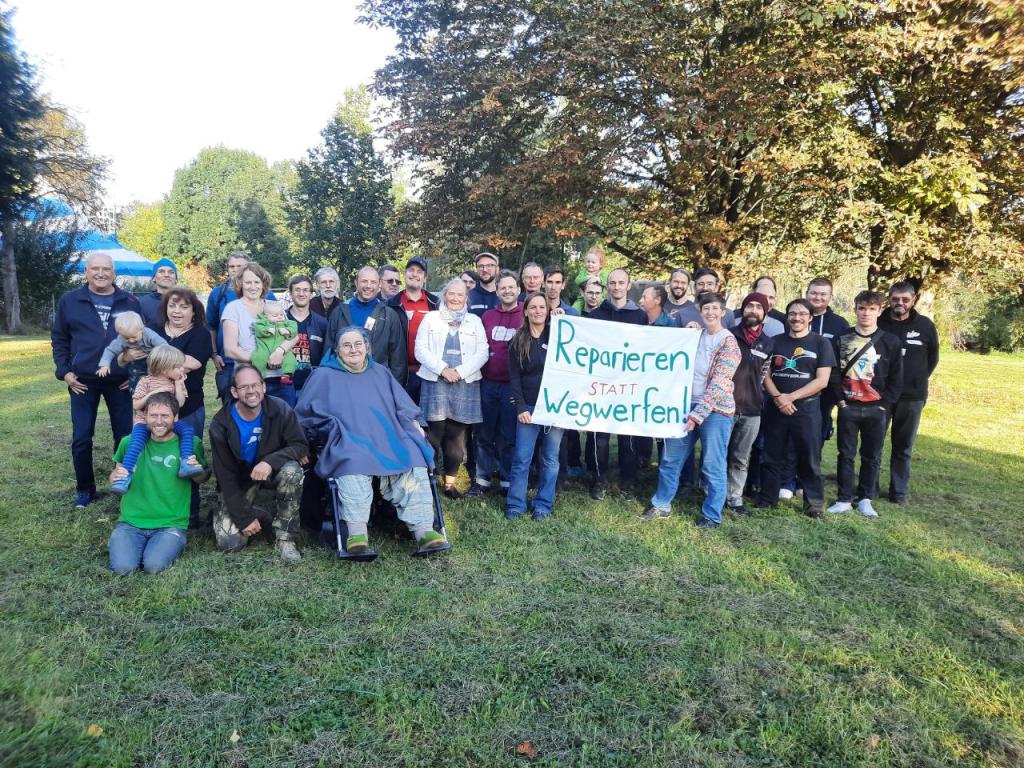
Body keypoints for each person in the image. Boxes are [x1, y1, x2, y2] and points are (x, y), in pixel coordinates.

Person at [295, 327, 448, 553]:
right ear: (337, 350)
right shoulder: (323, 376)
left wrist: (413, 422)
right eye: (346, 345)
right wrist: (329, 429)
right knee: (351, 460)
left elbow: (403, 405)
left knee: (413, 457)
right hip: (348, 437)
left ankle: (424, 530)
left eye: (358, 344)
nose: (353, 349)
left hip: (388, 436)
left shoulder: (380, 372)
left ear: (367, 347)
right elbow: (305, 414)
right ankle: (357, 534)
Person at [642, 292, 740, 528]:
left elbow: (720, 383)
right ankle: (661, 503)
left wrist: (697, 416)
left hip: (716, 411)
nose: (710, 313)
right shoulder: (695, 336)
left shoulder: (729, 343)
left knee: (712, 464)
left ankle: (712, 515)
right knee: (671, 458)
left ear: (723, 312)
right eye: (706, 308)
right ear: (700, 311)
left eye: (715, 309)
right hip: (685, 405)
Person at [51, 252, 140, 508]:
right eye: (95, 269)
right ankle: (85, 489)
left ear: (114, 273)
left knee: (125, 436)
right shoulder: (70, 300)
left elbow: (141, 340)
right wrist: (65, 372)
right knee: (81, 437)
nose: (101, 274)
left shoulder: (130, 300)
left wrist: (133, 374)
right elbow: (59, 339)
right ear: (86, 272)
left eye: (106, 269)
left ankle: (124, 483)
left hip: (119, 381)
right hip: (83, 382)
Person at [209, 365, 309, 562]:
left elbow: (300, 446)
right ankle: (259, 513)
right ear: (234, 391)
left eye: (255, 385)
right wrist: (244, 518)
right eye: (244, 387)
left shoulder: (280, 409)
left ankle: (286, 538)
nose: (251, 391)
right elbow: (225, 476)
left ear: (264, 387)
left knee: (292, 471)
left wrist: (270, 462)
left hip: (272, 471)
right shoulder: (221, 424)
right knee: (230, 543)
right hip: (240, 481)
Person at [108, 392, 210, 575]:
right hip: (131, 522)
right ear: (145, 416)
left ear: (176, 417)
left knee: (153, 566)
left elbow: (202, 479)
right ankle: (124, 540)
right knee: (123, 568)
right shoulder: (128, 443)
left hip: (170, 523)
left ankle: (165, 544)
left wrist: (197, 471)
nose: (159, 421)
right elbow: (116, 474)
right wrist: (115, 475)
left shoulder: (191, 444)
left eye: (165, 415)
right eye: (153, 415)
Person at [755, 298, 836, 520]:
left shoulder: (821, 343)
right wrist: (779, 398)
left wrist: (791, 397)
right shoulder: (774, 341)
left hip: (807, 409)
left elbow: (822, 381)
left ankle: (814, 505)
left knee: (809, 458)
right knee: (771, 455)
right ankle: (766, 498)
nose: (797, 317)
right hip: (776, 408)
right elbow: (765, 374)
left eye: (802, 314)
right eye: (792, 313)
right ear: (787, 316)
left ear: (810, 317)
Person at [828, 290, 904, 517]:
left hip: (876, 408)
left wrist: (885, 405)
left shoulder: (890, 341)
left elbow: (896, 377)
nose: (866, 314)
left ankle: (865, 498)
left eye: (872, 309)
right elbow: (832, 372)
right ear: (855, 309)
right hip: (848, 405)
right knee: (846, 454)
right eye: (862, 308)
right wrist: (840, 401)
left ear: (880, 311)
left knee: (872, 455)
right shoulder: (842, 339)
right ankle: (844, 497)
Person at [415, 279, 489, 497]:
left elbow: (482, 352)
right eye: (451, 294)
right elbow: (420, 350)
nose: (456, 298)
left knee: (457, 434)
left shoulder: (474, 321)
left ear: (466, 298)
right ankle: (425, 478)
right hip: (435, 379)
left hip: (465, 382)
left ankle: (449, 484)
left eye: (460, 295)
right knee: (434, 433)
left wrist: (460, 372)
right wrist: (443, 369)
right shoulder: (431, 318)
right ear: (444, 296)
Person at [584, 268, 650, 499]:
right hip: (601, 386)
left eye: (621, 282)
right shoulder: (594, 316)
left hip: (628, 386)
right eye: (612, 283)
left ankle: (628, 481)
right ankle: (598, 479)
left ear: (628, 285)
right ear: (607, 286)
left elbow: (645, 349)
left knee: (627, 436)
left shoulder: (640, 316)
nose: (616, 287)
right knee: (599, 437)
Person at [110, 345, 205, 495]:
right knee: (135, 443)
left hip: (169, 424)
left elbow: (179, 404)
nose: (182, 370)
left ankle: (186, 462)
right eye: (178, 367)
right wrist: (152, 394)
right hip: (144, 422)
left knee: (187, 430)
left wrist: (179, 385)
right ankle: (125, 475)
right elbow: (136, 404)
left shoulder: (175, 383)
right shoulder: (145, 381)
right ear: (164, 368)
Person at [878, 281, 940, 504]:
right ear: (889, 299)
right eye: (896, 299)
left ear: (913, 300)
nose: (900, 303)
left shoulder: (925, 325)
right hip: (881, 395)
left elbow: (933, 358)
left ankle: (898, 492)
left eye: (905, 300)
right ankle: (869, 488)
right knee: (874, 442)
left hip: (912, 396)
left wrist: (916, 379)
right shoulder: (878, 322)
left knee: (903, 446)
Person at [506, 293, 565, 521]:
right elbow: (514, 378)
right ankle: (515, 505)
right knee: (522, 458)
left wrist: (564, 318)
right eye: (534, 307)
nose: (538, 311)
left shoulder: (559, 335)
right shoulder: (517, 340)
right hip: (528, 407)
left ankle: (543, 505)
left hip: (554, 407)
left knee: (550, 459)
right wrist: (521, 407)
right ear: (526, 311)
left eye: (543, 307)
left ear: (548, 311)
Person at [470, 271, 523, 497]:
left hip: (513, 385)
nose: (507, 291)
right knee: (484, 433)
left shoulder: (527, 314)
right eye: (503, 288)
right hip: (489, 383)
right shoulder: (488, 317)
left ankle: (506, 480)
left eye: (511, 287)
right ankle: (482, 479)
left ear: (518, 290)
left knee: (509, 435)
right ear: (497, 290)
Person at [222, 262, 298, 406]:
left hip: (281, 378)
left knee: (284, 424)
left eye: (257, 282)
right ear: (240, 284)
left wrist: (280, 353)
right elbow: (230, 349)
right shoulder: (233, 309)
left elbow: (293, 336)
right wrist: (263, 361)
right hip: (249, 381)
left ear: (264, 284)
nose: (253, 286)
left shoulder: (273, 306)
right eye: (248, 282)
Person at [725, 292, 774, 515]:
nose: (753, 310)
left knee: (740, 457)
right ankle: (711, 492)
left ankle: (734, 498)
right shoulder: (729, 336)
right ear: (742, 310)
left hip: (753, 410)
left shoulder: (769, 344)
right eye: (749, 306)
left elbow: (766, 376)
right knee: (717, 454)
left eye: (758, 307)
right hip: (725, 407)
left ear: (765, 313)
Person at [207, 252, 277, 402]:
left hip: (265, 362)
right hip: (228, 361)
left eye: (240, 266)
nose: (235, 269)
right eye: (231, 266)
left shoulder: (268, 297)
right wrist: (214, 354)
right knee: (231, 402)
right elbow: (211, 326)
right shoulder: (218, 293)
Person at [326, 265, 408, 385]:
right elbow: (328, 350)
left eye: (373, 282)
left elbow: (398, 359)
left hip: (378, 383)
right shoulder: (339, 312)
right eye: (364, 281)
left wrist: (393, 389)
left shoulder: (389, 315)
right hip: (343, 381)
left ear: (379, 284)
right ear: (356, 282)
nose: (368, 286)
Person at [386, 256, 439, 403]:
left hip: (429, 373)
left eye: (419, 271)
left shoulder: (436, 304)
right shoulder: (391, 304)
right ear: (405, 273)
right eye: (411, 270)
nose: (415, 274)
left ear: (425, 277)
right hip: (401, 375)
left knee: (429, 421)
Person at [97, 310, 167, 392]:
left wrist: (158, 356)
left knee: (155, 379)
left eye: (134, 337)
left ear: (142, 329)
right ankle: (135, 393)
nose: (131, 340)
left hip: (153, 362)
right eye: (126, 338)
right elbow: (110, 350)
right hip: (136, 364)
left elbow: (164, 346)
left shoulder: (150, 335)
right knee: (135, 382)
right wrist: (105, 364)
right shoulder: (121, 339)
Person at [285, 275, 328, 392]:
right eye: (297, 290)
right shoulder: (281, 320)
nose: (301, 294)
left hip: (312, 386)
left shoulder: (322, 323)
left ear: (311, 294)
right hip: (284, 385)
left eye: (305, 290)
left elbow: (326, 355)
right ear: (290, 293)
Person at [252, 301, 298, 378]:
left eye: (281, 314)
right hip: (265, 347)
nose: (280, 317)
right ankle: (259, 376)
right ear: (266, 316)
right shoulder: (262, 322)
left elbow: (294, 327)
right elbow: (258, 330)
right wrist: (267, 330)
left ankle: (287, 374)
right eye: (275, 315)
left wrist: (288, 330)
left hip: (282, 347)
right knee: (258, 357)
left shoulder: (285, 323)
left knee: (290, 358)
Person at [137, 258, 179, 326]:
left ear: (176, 279)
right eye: (161, 272)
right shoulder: (141, 303)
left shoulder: (186, 302)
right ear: (153, 278)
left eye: (171, 272)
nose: (166, 275)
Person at [571, 246, 609, 312]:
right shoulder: (584, 272)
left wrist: (599, 279)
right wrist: (587, 278)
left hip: (601, 298)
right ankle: (572, 316)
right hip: (582, 298)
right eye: (588, 262)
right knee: (575, 308)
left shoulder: (603, 273)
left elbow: (607, 282)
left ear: (600, 264)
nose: (590, 264)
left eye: (593, 262)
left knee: (605, 309)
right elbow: (577, 281)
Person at [467, 251, 500, 317]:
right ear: (476, 269)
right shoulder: (469, 296)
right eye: (481, 266)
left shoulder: (505, 295)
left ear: (497, 269)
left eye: (489, 265)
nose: (484, 270)